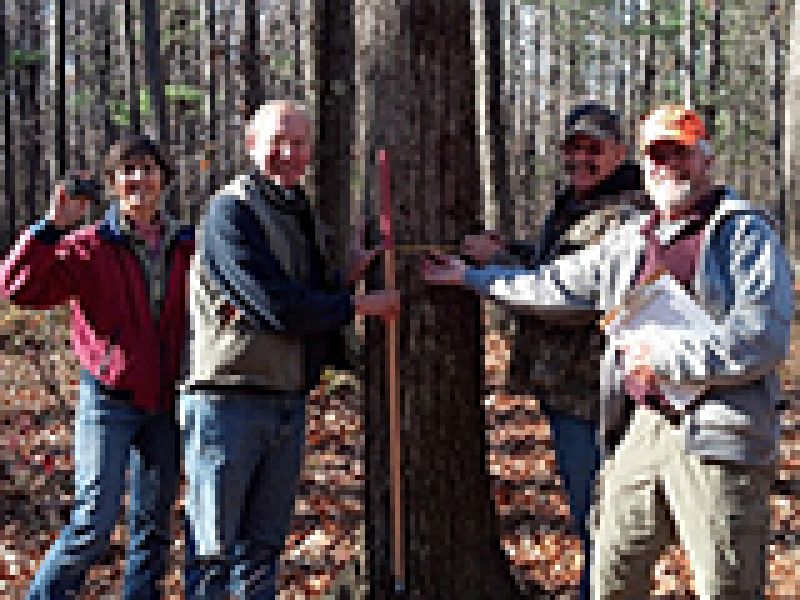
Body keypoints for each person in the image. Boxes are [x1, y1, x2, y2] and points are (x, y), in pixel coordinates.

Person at [421, 105, 792, 599]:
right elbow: (552, 284)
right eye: (657, 155)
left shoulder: (743, 234)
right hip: (639, 427)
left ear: (705, 158)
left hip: (719, 433)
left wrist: (664, 358)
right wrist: (471, 278)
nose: (667, 166)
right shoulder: (631, 241)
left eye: (678, 153)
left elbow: (761, 337)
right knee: (611, 571)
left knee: (725, 584)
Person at [180, 99, 399, 599]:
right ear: (252, 144)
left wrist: (349, 277)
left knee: (260, 552)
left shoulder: (298, 212)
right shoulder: (229, 213)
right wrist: (362, 305)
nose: (288, 152)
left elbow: (308, 294)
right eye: (277, 140)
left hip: (284, 402)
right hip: (226, 403)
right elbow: (277, 307)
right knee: (213, 554)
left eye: (298, 143)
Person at [460, 101, 648, 600]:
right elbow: (559, 266)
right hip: (566, 388)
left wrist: (485, 272)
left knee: (601, 520)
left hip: (597, 393)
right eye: (573, 148)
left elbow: (571, 299)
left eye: (594, 149)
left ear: (619, 154)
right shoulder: (576, 205)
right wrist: (513, 252)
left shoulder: (627, 214)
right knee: (594, 514)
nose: (581, 159)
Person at [0, 135, 193, 599]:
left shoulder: (187, 244)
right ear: (112, 183)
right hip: (109, 400)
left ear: (163, 179)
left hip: (166, 401)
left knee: (152, 527)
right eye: (128, 170)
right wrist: (51, 226)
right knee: (93, 521)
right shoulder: (89, 246)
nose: (139, 179)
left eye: (148, 168)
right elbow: (18, 288)